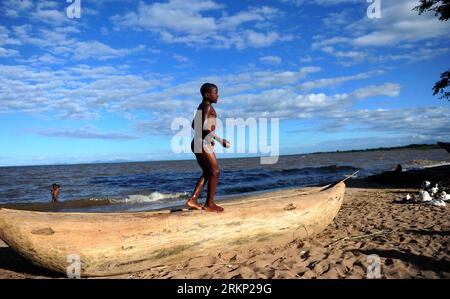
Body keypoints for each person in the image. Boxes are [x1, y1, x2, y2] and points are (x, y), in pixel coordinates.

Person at [186, 83, 231, 212]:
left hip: (199, 141)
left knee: (208, 172)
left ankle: (193, 199)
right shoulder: (206, 106)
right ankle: (209, 204)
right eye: (215, 92)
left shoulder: (202, 106)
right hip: (201, 143)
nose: (218, 95)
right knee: (215, 171)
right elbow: (202, 126)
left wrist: (209, 138)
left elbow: (195, 124)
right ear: (207, 94)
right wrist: (220, 139)